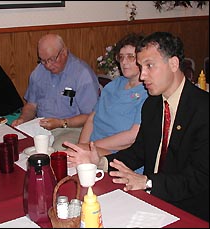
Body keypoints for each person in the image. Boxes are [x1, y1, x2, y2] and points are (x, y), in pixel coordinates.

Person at [65, 32, 209, 221]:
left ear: (173, 64)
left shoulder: (202, 109)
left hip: (190, 209)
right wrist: (100, 161)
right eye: (141, 67)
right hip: (152, 200)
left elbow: (199, 178)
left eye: (150, 66)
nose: (142, 75)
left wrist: (148, 182)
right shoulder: (152, 105)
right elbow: (137, 153)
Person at [11, 33, 100, 150]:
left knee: (58, 152)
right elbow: (31, 105)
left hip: (72, 128)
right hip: (42, 126)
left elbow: (91, 116)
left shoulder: (82, 74)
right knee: (15, 143)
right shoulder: (39, 72)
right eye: (43, 60)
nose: (48, 65)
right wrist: (23, 119)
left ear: (64, 52)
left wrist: (61, 122)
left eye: (52, 59)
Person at [77, 33, 148, 174]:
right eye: (121, 57)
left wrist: (89, 147)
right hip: (93, 148)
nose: (124, 62)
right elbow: (92, 118)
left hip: (117, 155)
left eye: (130, 57)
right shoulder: (114, 85)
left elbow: (132, 137)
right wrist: (81, 145)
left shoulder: (148, 92)